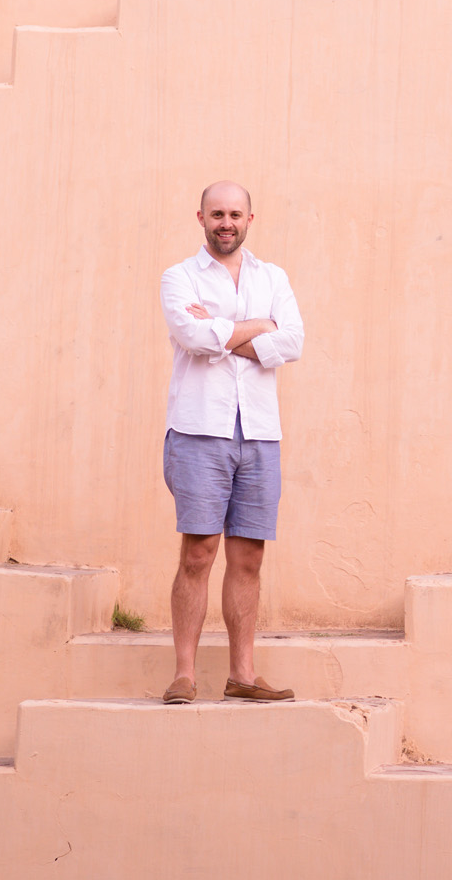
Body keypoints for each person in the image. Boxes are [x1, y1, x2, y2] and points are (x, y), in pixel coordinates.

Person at [156, 180, 305, 703]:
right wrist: (257, 328)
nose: (226, 222)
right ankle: (184, 674)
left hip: (260, 432)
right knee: (198, 552)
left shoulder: (273, 277)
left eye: (235, 214)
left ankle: (242, 673)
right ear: (200, 217)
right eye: (216, 213)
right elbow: (192, 338)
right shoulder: (179, 277)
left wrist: (224, 331)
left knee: (249, 556)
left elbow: (293, 341)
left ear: (250, 218)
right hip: (200, 430)